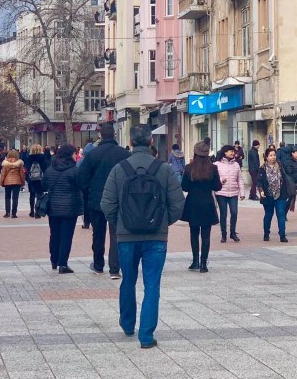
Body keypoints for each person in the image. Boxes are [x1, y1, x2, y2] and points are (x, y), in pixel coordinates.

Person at [101, 124, 185, 348]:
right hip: (156, 237)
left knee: (127, 279)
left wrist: (120, 222)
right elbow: (178, 204)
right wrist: (162, 223)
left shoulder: (120, 169)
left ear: (130, 141)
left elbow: (107, 203)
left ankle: (128, 324)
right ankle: (146, 335)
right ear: (151, 142)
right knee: (152, 285)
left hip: (126, 236)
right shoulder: (164, 169)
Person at [78, 123, 130, 279]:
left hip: (96, 200)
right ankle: (115, 268)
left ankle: (98, 265)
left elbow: (82, 179)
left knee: (98, 233)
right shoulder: (124, 154)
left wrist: (90, 190)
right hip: (117, 199)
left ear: (100, 136)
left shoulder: (93, 155)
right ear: (114, 135)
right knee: (116, 234)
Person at [181, 137, 223, 271]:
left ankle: (195, 262)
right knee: (206, 235)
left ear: (195, 153)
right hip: (207, 204)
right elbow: (217, 187)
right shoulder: (213, 168)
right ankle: (204, 263)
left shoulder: (189, 168)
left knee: (194, 233)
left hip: (192, 203)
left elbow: (184, 187)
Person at [43, 145, 83, 274]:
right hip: (70, 207)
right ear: (70, 155)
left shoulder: (50, 169)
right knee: (67, 235)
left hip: (53, 207)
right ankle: (63, 263)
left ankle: (54, 260)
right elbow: (81, 185)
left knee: (54, 234)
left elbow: (44, 184)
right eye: (73, 154)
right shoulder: (74, 170)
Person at [257, 147, 291, 242]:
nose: (273, 157)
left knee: (281, 214)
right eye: (270, 155)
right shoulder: (262, 169)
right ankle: (266, 233)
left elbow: (287, 176)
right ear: (266, 157)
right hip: (267, 196)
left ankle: (282, 235)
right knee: (268, 214)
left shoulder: (281, 166)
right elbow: (259, 182)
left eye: (274, 155)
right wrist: (261, 191)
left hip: (280, 194)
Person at [215, 144, 245, 243]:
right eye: (230, 151)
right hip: (221, 193)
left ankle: (233, 233)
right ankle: (224, 234)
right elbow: (214, 178)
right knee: (223, 214)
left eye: (233, 151)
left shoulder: (236, 164)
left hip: (233, 193)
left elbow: (240, 179)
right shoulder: (217, 164)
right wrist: (220, 180)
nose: (233, 153)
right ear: (225, 152)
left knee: (234, 212)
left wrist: (242, 192)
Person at [0, 149, 25, 218]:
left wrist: (1, 182)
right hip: (17, 182)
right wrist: (23, 182)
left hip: (7, 182)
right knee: (15, 198)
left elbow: (3, 174)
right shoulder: (19, 163)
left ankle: (7, 213)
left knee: (7, 197)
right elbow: (22, 174)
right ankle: (14, 213)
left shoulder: (5, 163)